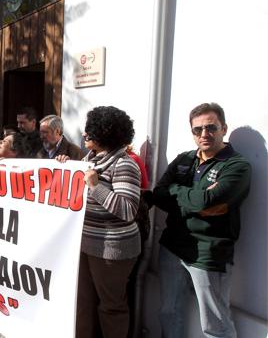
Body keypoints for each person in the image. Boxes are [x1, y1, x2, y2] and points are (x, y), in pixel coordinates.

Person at [151, 103, 251, 338]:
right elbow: (159, 195)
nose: (204, 134)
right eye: (198, 130)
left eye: (211, 127)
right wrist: (195, 199)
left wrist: (180, 194)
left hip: (208, 254)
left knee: (215, 323)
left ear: (223, 128)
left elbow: (204, 201)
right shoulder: (184, 159)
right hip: (172, 247)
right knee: (169, 312)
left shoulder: (237, 165)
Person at [56, 106, 141, 338]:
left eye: (91, 132)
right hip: (84, 244)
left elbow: (128, 209)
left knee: (111, 307)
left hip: (112, 250)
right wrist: (65, 167)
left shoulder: (124, 164)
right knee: (82, 301)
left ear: (106, 134)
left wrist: (95, 186)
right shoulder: (88, 160)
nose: (85, 135)